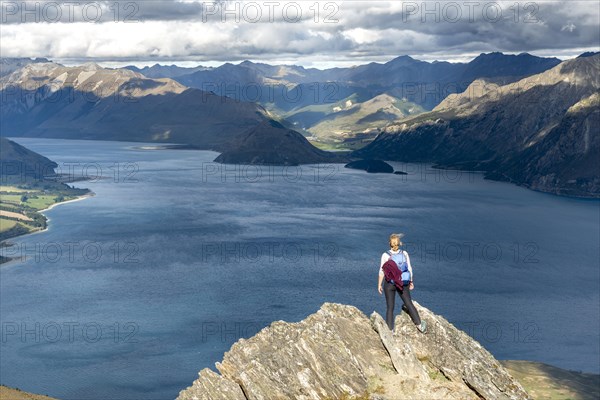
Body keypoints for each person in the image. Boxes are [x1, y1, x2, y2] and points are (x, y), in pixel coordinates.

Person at [378, 233, 427, 333]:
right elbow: (409, 269)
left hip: (390, 284)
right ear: (399, 243)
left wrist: (379, 284)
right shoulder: (404, 253)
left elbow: (381, 271)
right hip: (403, 282)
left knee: (390, 307)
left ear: (389, 244)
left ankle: (390, 331)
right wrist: (411, 281)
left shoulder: (385, 255)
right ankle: (419, 325)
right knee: (408, 303)